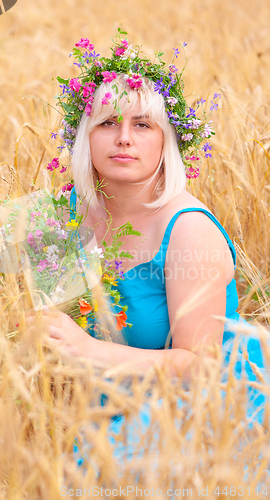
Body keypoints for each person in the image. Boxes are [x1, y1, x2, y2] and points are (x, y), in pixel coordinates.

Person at [26, 32, 270, 471]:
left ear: (166, 141)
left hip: (190, 413)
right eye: (106, 123)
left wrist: (86, 350)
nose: (123, 138)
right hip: (97, 404)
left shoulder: (188, 231)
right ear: (85, 136)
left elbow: (203, 369)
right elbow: (45, 313)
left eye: (142, 125)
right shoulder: (61, 218)